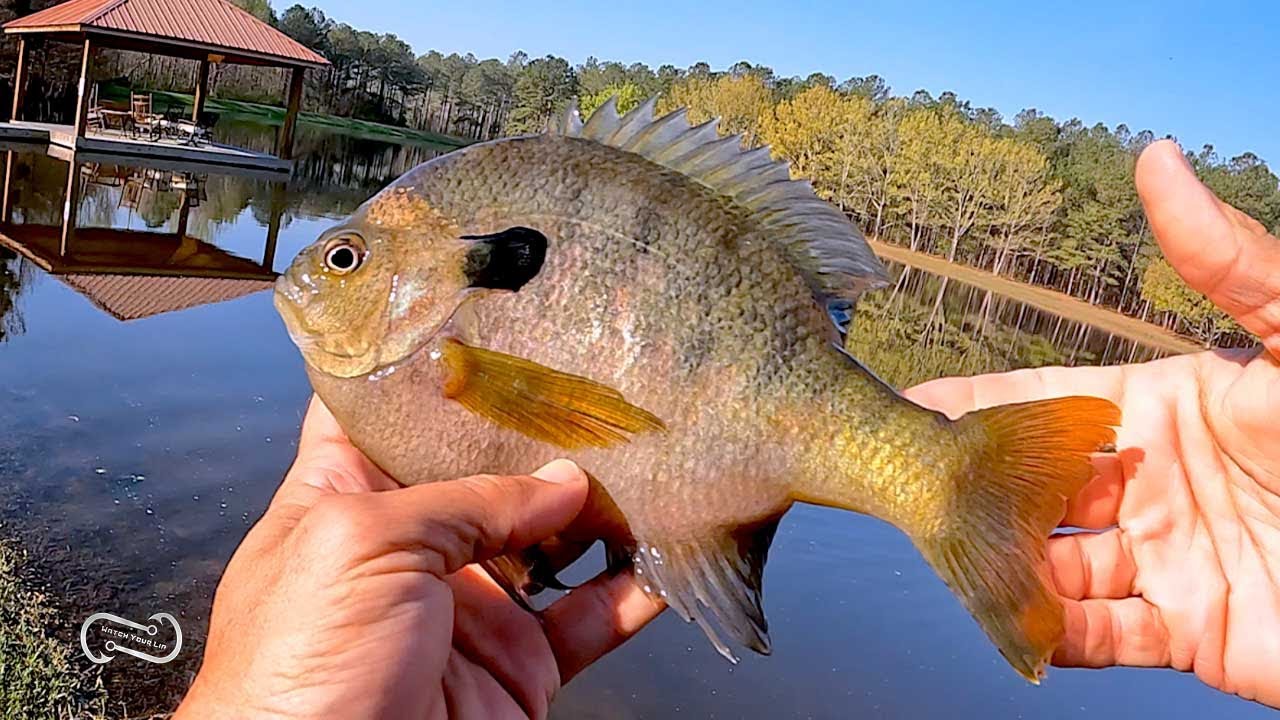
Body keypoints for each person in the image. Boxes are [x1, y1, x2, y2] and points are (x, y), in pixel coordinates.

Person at [174, 140, 1279, 718]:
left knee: (902, 466)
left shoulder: (448, 349)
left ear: (425, 285)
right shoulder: (432, 327)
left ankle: (943, 484)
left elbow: (563, 423)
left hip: (706, 450)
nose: (317, 276)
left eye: (348, 261)